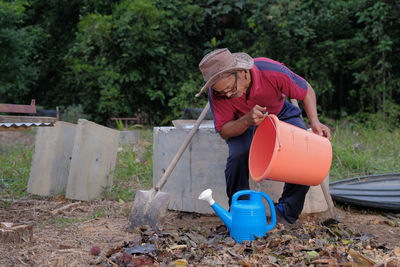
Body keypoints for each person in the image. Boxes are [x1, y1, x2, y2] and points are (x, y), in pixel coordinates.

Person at [196, 48, 331, 224]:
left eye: (230, 88)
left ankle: (286, 213)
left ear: (242, 72)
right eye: (223, 92)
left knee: (302, 154)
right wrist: (246, 121)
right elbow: (224, 131)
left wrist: (314, 122)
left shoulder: (271, 70)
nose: (228, 95)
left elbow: (306, 90)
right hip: (243, 122)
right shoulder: (217, 93)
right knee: (238, 154)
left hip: (280, 113)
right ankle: (240, 213)